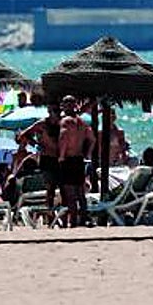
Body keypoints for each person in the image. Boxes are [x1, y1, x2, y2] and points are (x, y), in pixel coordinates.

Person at [17, 102, 61, 220]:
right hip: (47, 158)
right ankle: (50, 216)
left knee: (63, 187)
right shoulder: (42, 124)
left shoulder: (63, 123)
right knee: (50, 188)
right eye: (54, 111)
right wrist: (36, 144)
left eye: (58, 111)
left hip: (60, 158)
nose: (57, 114)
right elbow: (22, 135)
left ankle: (60, 216)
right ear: (49, 112)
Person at [57, 95, 95, 227]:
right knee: (80, 192)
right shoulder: (82, 122)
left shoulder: (65, 121)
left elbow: (64, 137)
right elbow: (92, 139)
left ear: (67, 106)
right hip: (79, 158)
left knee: (70, 193)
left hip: (68, 158)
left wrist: (61, 155)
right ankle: (83, 220)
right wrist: (88, 154)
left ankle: (73, 222)